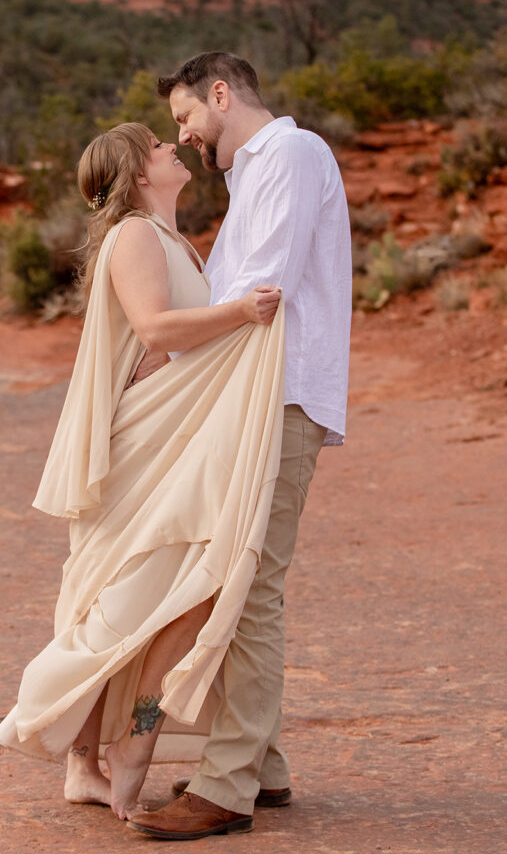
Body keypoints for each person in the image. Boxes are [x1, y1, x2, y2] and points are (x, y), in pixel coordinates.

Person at [0, 122, 287, 823]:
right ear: (135, 171)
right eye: (156, 145)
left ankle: (112, 754)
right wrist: (242, 313)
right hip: (141, 449)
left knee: (185, 597)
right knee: (129, 605)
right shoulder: (133, 235)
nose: (170, 148)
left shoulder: (169, 237)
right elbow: (155, 330)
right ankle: (91, 748)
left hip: (168, 443)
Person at [127, 52, 351, 840]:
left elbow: (261, 285)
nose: (183, 136)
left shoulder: (288, 153)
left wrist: (169, 351)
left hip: (279, 393)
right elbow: (235, 287)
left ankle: (226, 786)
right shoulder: (252, 169)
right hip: (253, 391)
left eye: (187, 117)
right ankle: (263, 766)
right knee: (235, 576)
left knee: (250, 586)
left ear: (221, 95)